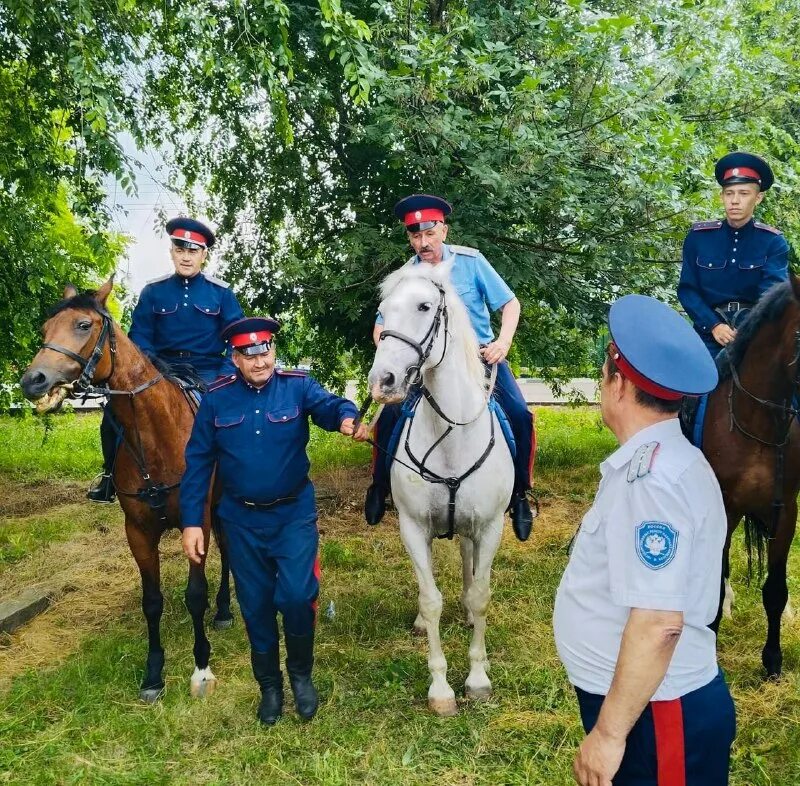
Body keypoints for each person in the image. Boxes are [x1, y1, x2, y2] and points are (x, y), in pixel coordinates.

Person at [553, 294, 735, 786]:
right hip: (644, 704)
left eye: (603, 372)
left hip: (657, 713)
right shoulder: (655, 462)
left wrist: (609, 736)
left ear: (618, 382)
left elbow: (659, 625)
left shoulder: (651, 480)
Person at [180, 317, 368, 725]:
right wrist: (192, 522)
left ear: (274, 351)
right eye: (249, 353)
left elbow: (330, 405)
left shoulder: (297, 385)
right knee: (255, 606)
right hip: (241, 522)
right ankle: (270, 687)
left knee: (298, 597)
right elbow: (197, 462)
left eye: (264, 350)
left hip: (292, 515)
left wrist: (346, 418)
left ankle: (301, 676)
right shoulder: (216, 398)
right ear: (235, 358)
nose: (259, 359)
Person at [364, 194, 536, 541]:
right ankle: (380, 486)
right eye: (415, 236)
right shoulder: (406, 276)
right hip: (425, 367)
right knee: (389, 418)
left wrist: (503, 343)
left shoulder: (472, 263)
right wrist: (390, 347)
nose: (423, 243)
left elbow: (510, 304)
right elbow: (382, 325)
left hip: (482, 359)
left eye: (429, 233)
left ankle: (520, 494)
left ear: (444, 229)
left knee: (519, 415)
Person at [88, 217, 245, 502]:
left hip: (208, 370)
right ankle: (110, 476)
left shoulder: (221, 293)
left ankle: (235, 483)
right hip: (162, 369)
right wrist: (149, 372)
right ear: (172, 251)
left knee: (230, 415)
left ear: (203, 254)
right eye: (180, 250)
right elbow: (141, 338)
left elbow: (238, 340)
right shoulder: (153, 291)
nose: (186, 257)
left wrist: (224, 376)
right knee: (116, 410)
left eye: (193, 251)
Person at [678, 151, 789, 357]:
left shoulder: (772, 241)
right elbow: (687, 291)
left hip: (756, 332)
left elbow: (772, 295)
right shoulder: (699, 237)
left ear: (758, 198)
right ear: (722, 196)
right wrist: (714, 326)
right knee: (684, 384)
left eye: (744, 193)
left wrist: (749, 329)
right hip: (708, 333)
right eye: (729, 193)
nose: (735, 201)